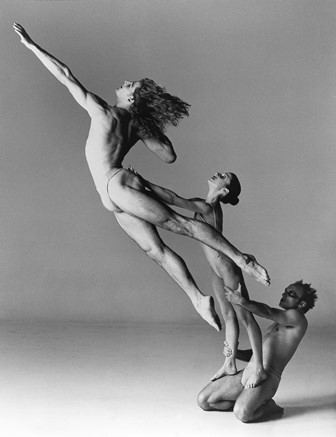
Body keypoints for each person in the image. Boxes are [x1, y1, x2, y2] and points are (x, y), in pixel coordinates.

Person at [13, 23, 270, 332]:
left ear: (132, 99)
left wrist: (31, 46)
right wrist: (144, 123)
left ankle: (243, 260)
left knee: (182, 225)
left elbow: (65, 75)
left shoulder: (102, 111)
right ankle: (199, 299)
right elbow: (168, 154)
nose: (123, 83)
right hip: (111, 194)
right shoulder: (135, 126)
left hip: (117, 183)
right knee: (155, 251)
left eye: (129, 85)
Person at [132, 170, 267, 387]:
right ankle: (229, 362)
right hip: (216, 270)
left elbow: (172, 198)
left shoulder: (208, 207)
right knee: (228, 317)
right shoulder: (205, 204)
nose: (217, 173)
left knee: (245, 316)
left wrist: (143, 182)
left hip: (226, 266)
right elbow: (169, 198)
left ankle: (258, 366)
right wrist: (143, 188)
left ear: (224, 190)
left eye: (224, 176)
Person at [197, 280, 318, 422]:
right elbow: (256, 354)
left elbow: (267, 311)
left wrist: (242, 301)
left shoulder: (298, 319)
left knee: (242, 414)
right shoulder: (280, 322)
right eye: (285, 291)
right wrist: (236, 353)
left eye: (290, 294)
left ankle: (269, 407)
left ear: (302, 304)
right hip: (249, 372)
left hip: (267, 377)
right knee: (204, 400)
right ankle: (249, 400)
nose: (284, 294)